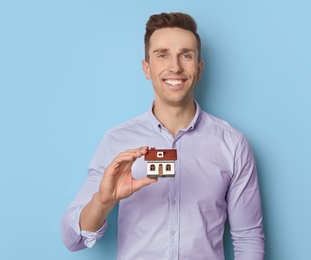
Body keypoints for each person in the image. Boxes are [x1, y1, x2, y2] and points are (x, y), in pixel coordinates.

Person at [61, 12, 265, 260]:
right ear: (147, 68)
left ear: (199, 69)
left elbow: (248, 238)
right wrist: (103, 201)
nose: (175, 67)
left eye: (186, 55)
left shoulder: (233, 144)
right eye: (162, 55)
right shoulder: (117, 141)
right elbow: (73, 239)